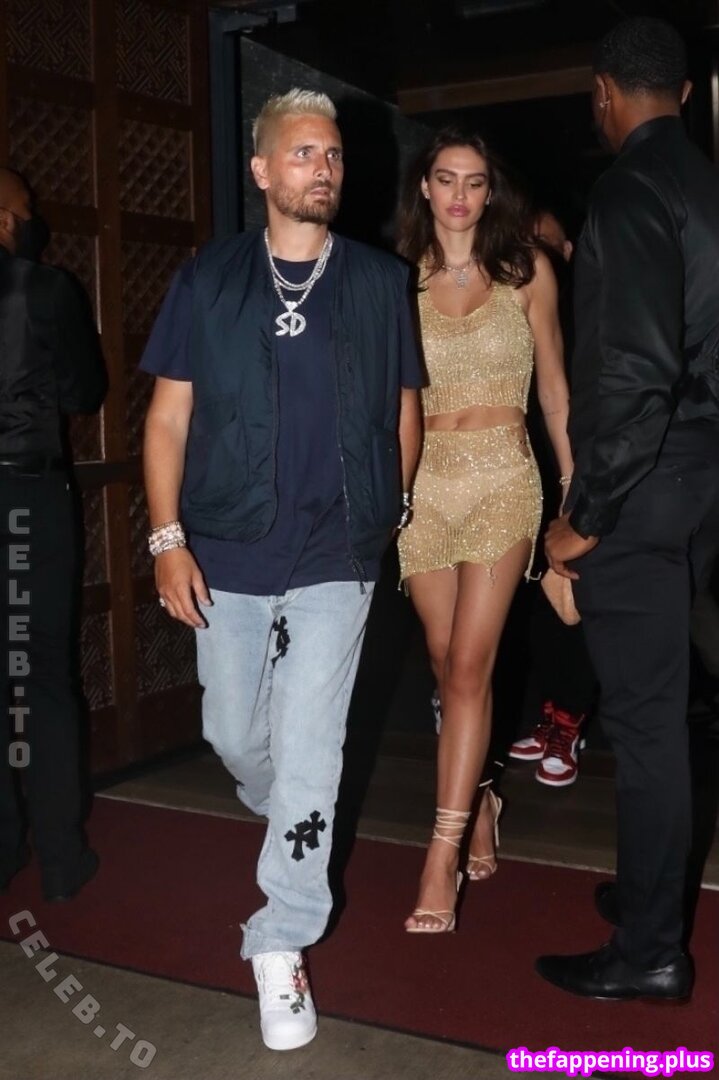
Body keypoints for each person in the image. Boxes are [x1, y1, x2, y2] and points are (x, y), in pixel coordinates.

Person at [140, 89, 423, 1051]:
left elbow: (402, 407)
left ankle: (280, 940)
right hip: (226, 547)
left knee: (310, 750)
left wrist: (388, 511)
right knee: (231, 732)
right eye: (303, 153)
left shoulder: (379, 282)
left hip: (337, 553)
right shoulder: (209, 279)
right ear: (261, 169)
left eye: (332, 154)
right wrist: (166, 540)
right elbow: (167, 418)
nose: (323, 168)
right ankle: (288, 806)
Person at [539, 17, 719, 1002]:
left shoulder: (626, 190)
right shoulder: (703, 185)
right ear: (683, 94)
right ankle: (651, 891)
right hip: (698, 480)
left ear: (602, 93)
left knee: (645, 724)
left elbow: (634, 374)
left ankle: (649, 950)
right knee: (663, 709)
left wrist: (588, 514)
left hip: (641, 487)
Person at [396, 129, 573, 933]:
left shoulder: (525, 271)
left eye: (474, 181)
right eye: (446, 179)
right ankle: (484, 797)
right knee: (444, 665)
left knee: (470, 665)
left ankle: (440, 852)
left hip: (504, 478)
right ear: (425, 188)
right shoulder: (398, 280)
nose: (460, 195)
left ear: (489, 191)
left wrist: (571, 493)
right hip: (424, 487)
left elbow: (555, 392)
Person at [0, 167, 106, 901]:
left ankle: (5, 850)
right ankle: (63, 859)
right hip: (25, 495)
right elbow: (83, 390)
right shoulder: (43, 288)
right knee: (42, 673)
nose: (33, 215)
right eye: (25, 205)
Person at [509, 208, 596, 787]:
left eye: (544, 243)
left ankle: (570, 719)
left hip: (580, 469)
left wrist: (575, 483)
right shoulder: (514, 304)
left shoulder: (589, 308)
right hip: (521, 470)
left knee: (574, 598)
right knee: (538, 604)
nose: (533, 253)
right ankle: (550, 716)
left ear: (566, 252)